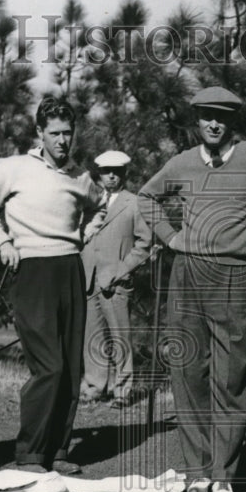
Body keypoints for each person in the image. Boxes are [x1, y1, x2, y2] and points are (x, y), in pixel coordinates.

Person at [138, 86, 246, 492]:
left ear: (233, 121)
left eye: (222, 117)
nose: (214, 124)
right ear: (196, 121)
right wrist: (170, 238)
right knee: (188, 370)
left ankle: (223, 477)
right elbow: (146, 197)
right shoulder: (182, 162)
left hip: (235, 275)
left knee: (232, 374)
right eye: (206, 116)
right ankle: (197, 472)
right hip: (187, 273)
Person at [0, 96, 104, 475]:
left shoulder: (80, 176)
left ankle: (58, 452)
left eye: (68, 133)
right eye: (55, 133)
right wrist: (3, 242)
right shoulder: (13, 168)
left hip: (70, 268)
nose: (63, 140)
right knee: (49, 366)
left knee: (71, 367)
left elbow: (99, 207)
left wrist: (85, 234)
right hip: (31, 269)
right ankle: (30, 453)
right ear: (40, 132)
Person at [80, 150, 152, 407]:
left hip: (116, 282)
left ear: (124, 173)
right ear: (98, 174)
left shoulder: (134, 203)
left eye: (117, 172)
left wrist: (122, 271)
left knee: (120, 337)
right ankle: (94, 387)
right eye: (106, 171)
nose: (111, 176)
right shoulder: (88, 202)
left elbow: (144, 244)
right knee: (92, 336)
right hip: (89, 278)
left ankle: (122, 391)